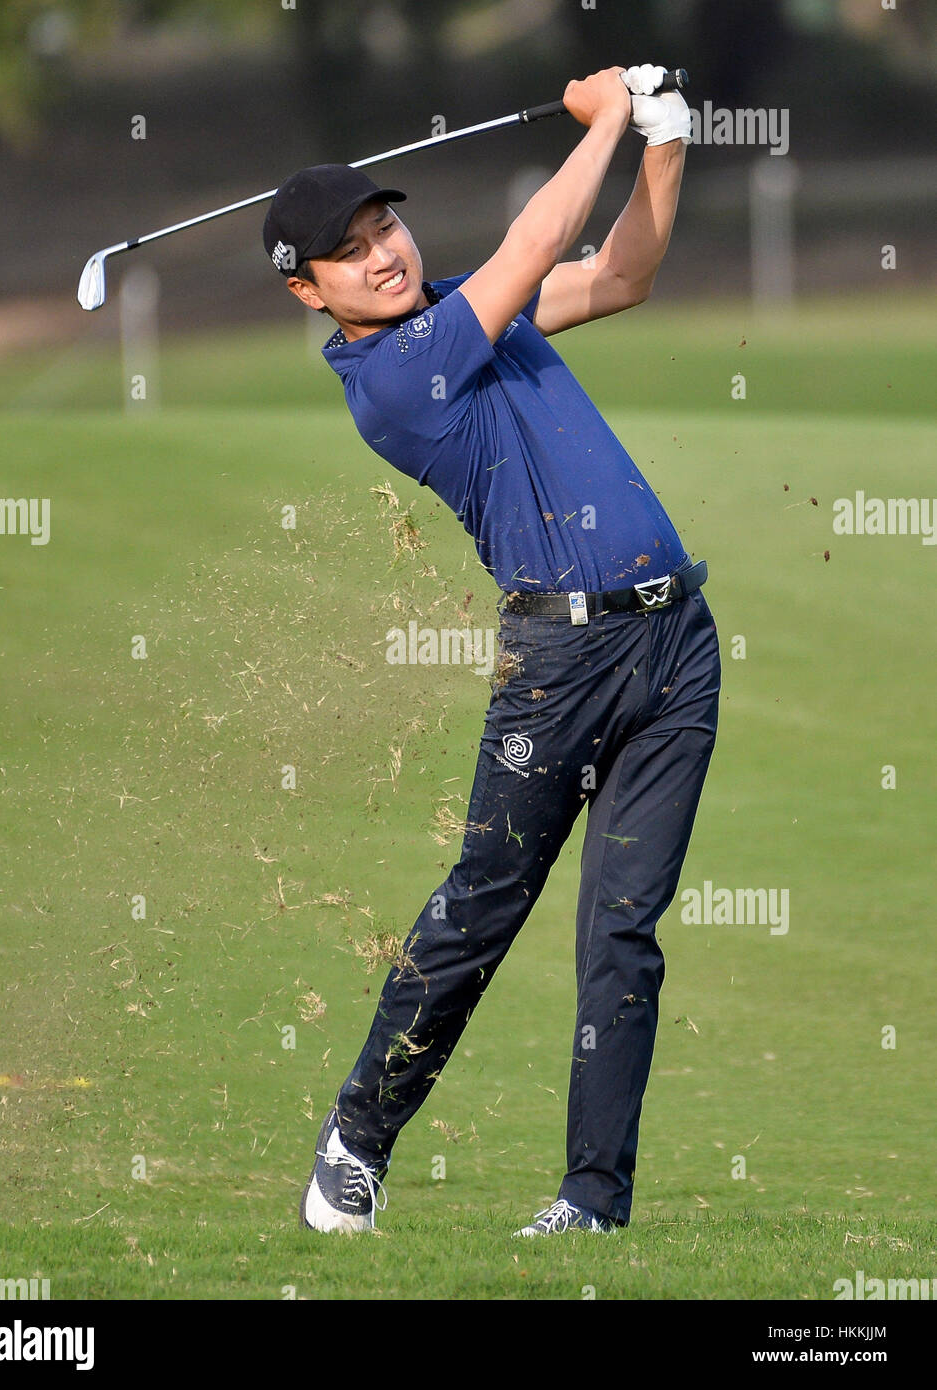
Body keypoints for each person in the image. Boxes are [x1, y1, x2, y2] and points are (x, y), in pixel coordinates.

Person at [263, 64, 721, 1237]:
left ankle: (590, 1204)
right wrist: (608, 117)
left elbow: (622, 272)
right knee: (481, 908)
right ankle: (355, 1137)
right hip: (556, 671)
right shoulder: (396, 378)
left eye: (385, 225)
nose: (383, 253)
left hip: (676, 647)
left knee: (623, 933)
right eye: (351, 251)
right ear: (311, 292)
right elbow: (535, 241)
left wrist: (662, 141)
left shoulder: (462, 307)